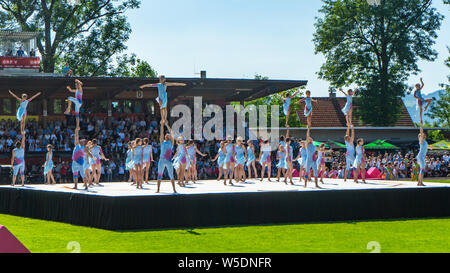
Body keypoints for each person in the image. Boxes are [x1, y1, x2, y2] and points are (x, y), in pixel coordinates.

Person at [156, 122, 177, 193]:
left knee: (171, 175)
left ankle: (174, 189)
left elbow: (172, 133)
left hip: (169, 161)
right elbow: (161, 133)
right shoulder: (162, 142)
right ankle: (158, 189)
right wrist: (162, 125)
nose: (167, 135)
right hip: (161, 160)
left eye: (168, 135)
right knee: (159, 175)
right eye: (166, 135)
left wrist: (167, 125)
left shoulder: (171, 142)